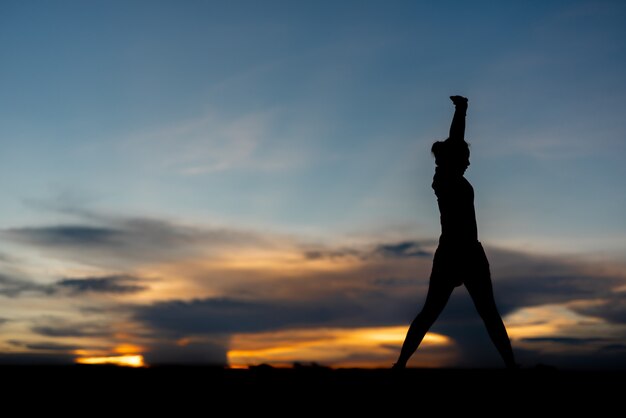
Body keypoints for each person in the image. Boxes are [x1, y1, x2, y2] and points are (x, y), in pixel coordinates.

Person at [393, 95, 517, 369]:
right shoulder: (443, 179)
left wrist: (462, 111)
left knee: (488, 313)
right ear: (455, 159)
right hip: (452, 253)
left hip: (470, 252)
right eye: (466, 158)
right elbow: (456, 140)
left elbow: (457, 144)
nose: (469, 163)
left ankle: (511, 366)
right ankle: (400, 365)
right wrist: (461, 111)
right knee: (431, 313)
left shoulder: (453, 177)